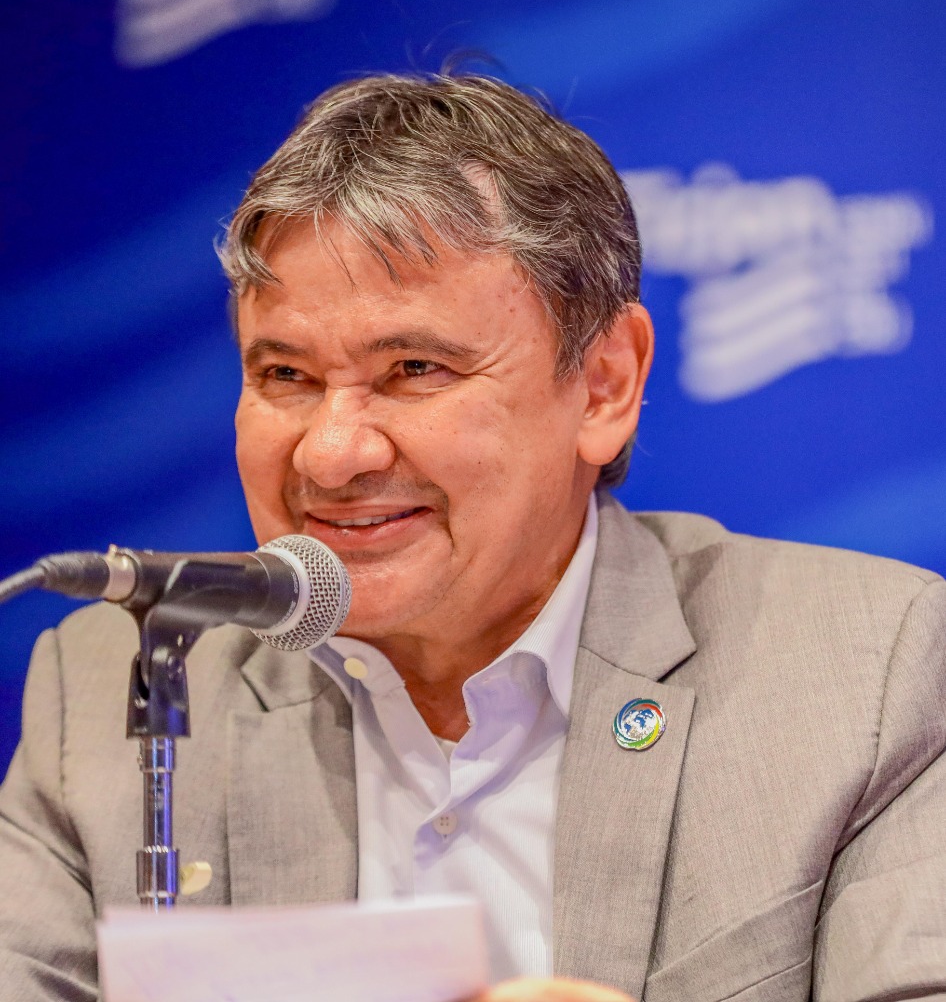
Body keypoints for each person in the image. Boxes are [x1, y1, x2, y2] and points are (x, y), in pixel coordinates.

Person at [1, 72, 944, 1002]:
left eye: (415, 369)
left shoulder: (867, 676)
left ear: (605, 384)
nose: (331, 454)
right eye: (286, 375)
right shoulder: (113, 689)